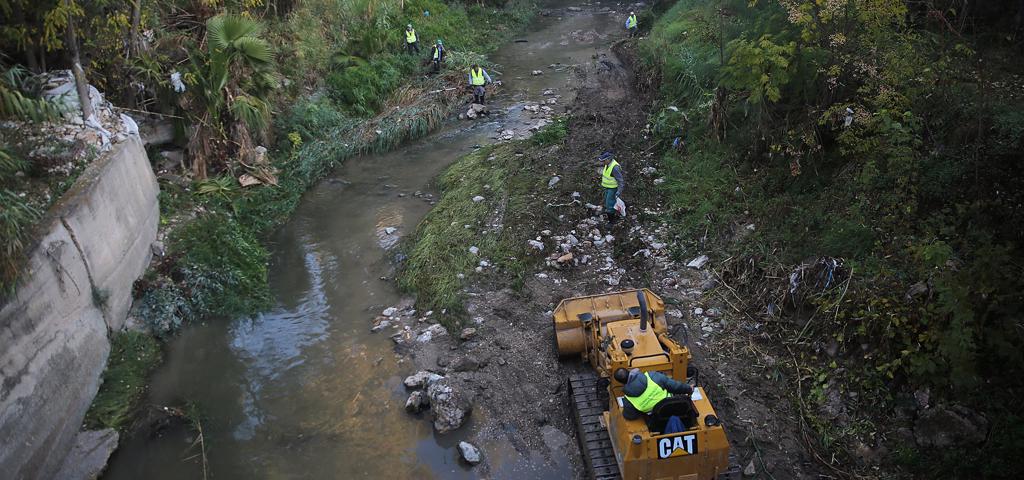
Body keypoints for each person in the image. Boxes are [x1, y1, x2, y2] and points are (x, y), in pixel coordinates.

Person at [614, 368, 693, 420]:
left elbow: (630, 416)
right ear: (629, 371)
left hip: (657, 420)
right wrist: (689, 389)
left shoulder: (628, 400)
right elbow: (675, 386)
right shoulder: (652, 376)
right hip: (676, 408)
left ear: (621, 382)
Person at [599, 151, 624, 225]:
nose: (603, 162)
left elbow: (620, 181)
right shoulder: (607, 164)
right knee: (608, 202)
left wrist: (619, 191)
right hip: (607, 188)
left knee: (609, 205)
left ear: (608, 159)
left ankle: (612, 221)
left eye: (604, 160)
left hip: (613, 189)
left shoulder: (615, 168)